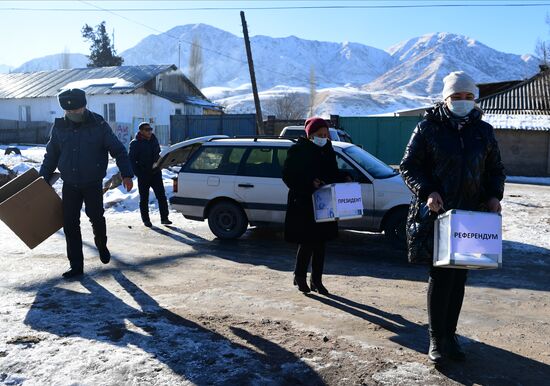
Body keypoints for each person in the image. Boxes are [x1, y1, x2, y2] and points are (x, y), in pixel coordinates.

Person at [400, 71, 505, 364]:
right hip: (439, 216)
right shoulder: (427, 128)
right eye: (456, 96)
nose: (462, 101)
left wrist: (494, 195)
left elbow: (495, 169)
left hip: (470, 217)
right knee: (440, 275)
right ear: (446, 99)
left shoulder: (483, 131)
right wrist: (429, 191)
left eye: (468, 96)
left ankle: (451, 335)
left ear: (475, 99)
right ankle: (435, 338)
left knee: (459, 278)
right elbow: (408, 166)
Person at [39, 88, 134, 279]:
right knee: (70, 223)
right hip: (70, 184)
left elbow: (118, 150)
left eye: (76, 111)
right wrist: (42, 180)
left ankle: (101, 244)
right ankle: (76, 265)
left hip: (92, 183)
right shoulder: (59, 127)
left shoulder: (98, 124)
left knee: (96, 217)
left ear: (84, 107)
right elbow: (51, 156)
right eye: (69, 112)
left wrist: (126, 174)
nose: (73, 115)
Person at [282, 117, 350, 295]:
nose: (324, 137)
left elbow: (333, 173)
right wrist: (309, 182)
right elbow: (288, 176)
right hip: (304, 203)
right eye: (320, 134)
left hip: (325, 203)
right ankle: (299, 276)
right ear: (310, 135)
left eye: (326, 134)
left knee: (321, 243)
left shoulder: (328, 150)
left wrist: (344, 177)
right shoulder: (298, 151)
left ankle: (316, 280)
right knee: (307, 242)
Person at [129, 122, 172, 227]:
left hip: (155, 173)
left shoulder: (154, 140)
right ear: (141, 131)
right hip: (143, 175)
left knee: (161, 196)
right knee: (144, 198)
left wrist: (159, 164)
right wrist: (139, 173)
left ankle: (164, 218)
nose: (149, 131)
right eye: (147, 129)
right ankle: (146, 220)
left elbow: (158, 153)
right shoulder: (135, 143)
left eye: (150, 129)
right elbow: (131, 161)